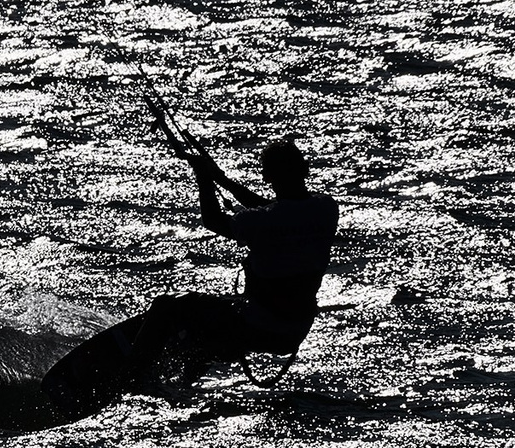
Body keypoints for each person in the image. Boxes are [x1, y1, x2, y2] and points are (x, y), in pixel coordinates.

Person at [41, 113, 337, 419]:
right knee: (202, 333)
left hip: (259, 326)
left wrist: (203, 177)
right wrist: (220, 177)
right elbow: (277, 210)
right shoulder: (326, 209)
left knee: (168, 306)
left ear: (268, 178)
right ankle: (180, 388)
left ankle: (131, 381)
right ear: (303, 171)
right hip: (291, 331)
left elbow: (214, 220)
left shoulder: (263, 221)